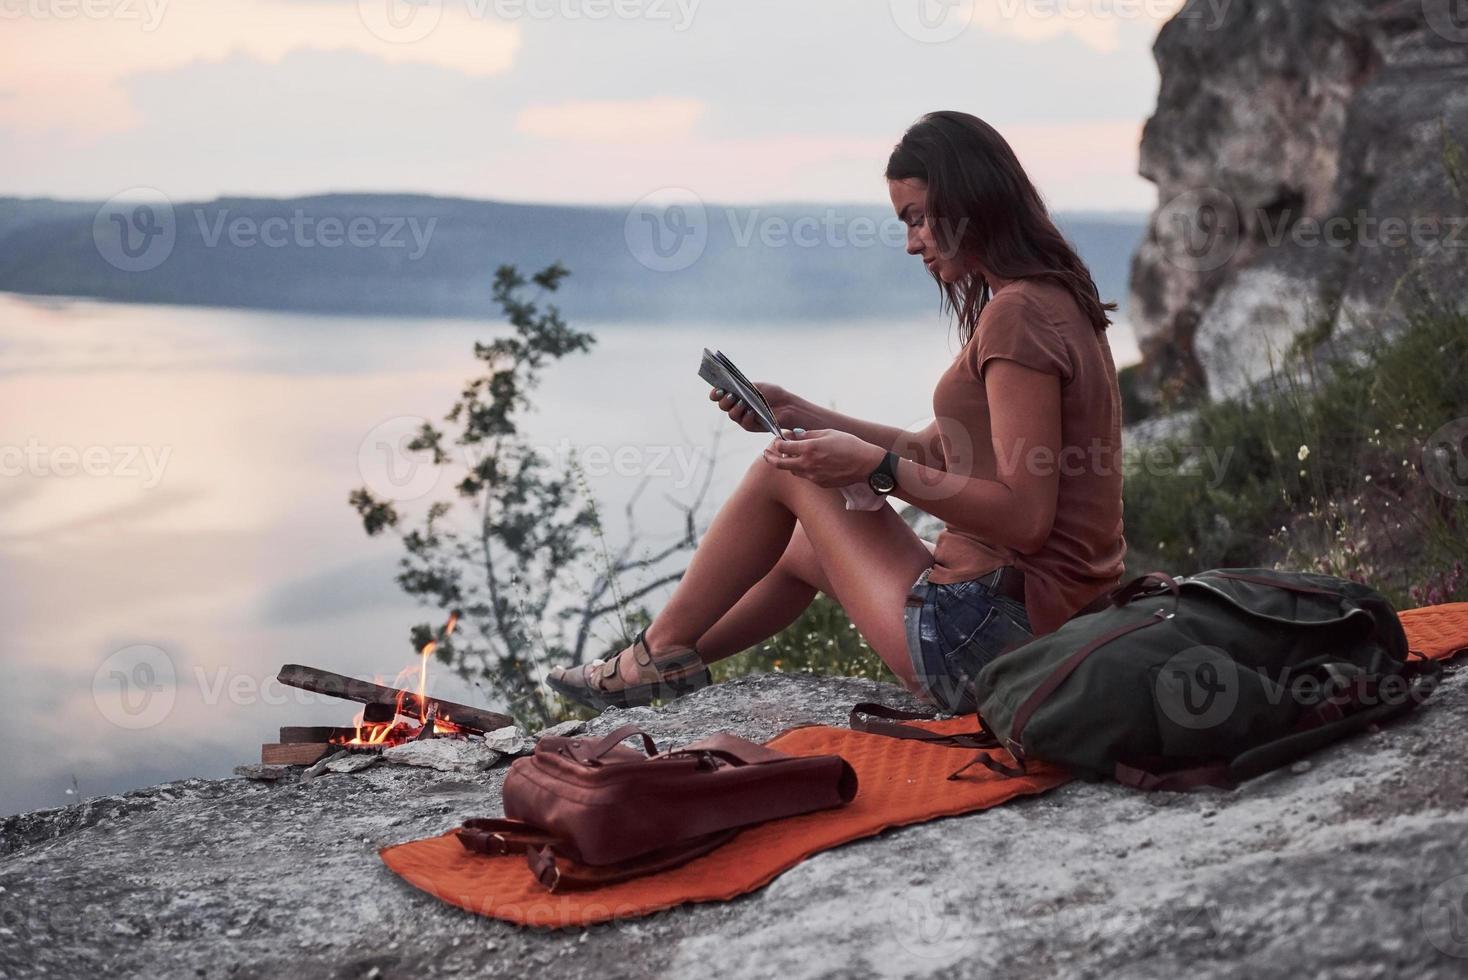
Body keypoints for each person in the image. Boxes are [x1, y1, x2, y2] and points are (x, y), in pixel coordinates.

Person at [547, 110, 1127, 714]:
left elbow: (1026, 518)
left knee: (782, 472)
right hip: (1031, 626)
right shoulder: (1049, 300)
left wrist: (875, 468)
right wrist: (807, 414)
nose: (911, 243)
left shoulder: (1018, 316)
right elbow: (934, 450)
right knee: (799, 549)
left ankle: (651, 655)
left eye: (919, 219)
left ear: (970, 201)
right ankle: (655, 664)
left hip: (994, 643)